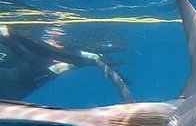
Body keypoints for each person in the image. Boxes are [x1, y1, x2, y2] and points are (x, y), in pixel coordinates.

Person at [0, 24, 131, 101]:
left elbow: (41, 53)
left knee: (28, 74)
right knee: (28, 75)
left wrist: (13, 39)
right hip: (18, 84)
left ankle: (82, 59)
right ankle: (80, 60)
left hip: (20, 80)